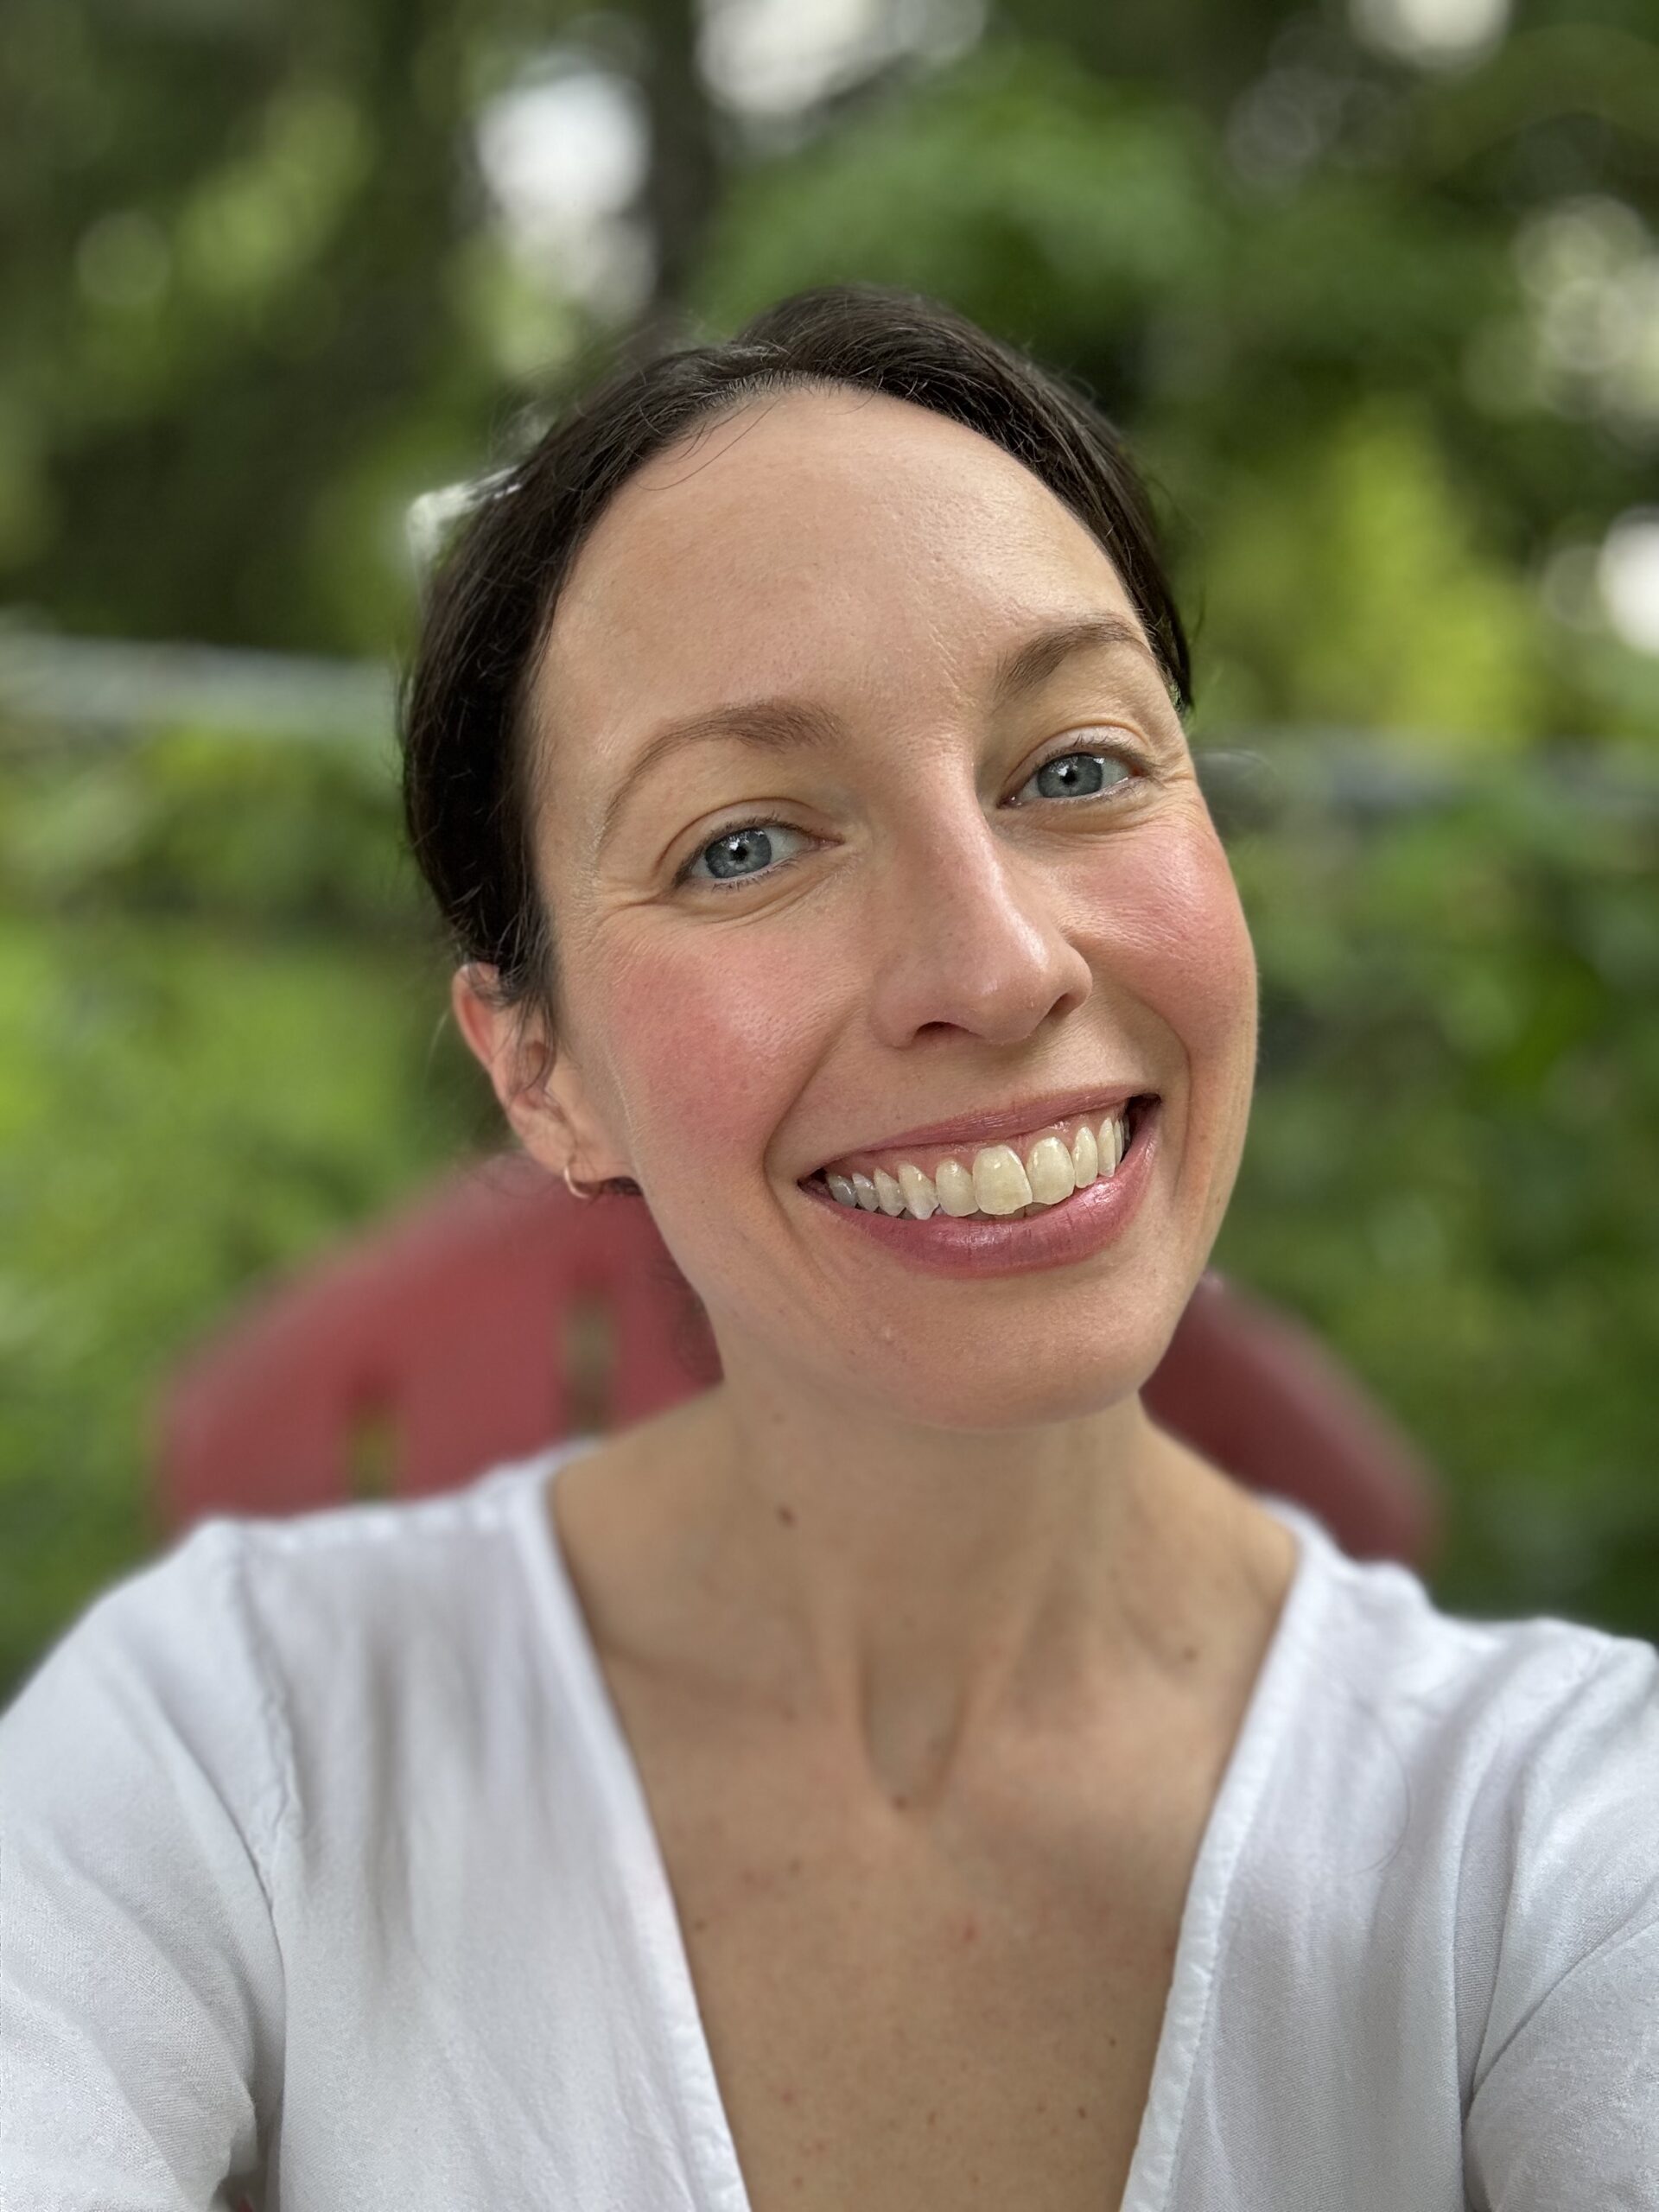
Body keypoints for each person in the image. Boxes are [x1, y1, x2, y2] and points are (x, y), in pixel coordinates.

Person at [3, 284, 1656, 2211]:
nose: (996, 962)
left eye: (1077, 766)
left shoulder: (1560, 1838)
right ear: (541, 1074)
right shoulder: (235, 1749)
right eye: (743, 843)